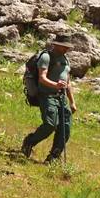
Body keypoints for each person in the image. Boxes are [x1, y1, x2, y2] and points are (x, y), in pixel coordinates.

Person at [21, 35, 76, 163]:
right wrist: (55, 85)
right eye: (64, 46)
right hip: (47, 96)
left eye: (68, 47)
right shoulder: (46, 57)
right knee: (50, 124)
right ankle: (29, 142)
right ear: (56, 45)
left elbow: (68, 82)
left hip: (61, 97)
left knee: (65, 128)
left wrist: (72, 102)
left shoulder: (66, 60)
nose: (66, 49)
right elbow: (42, 78)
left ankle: (54, 157)